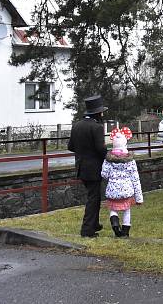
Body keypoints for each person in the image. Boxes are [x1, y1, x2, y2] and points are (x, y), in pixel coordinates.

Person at [68, 95, 109, 238]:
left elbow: (70, 146)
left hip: (81, 167)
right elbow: (100, 149)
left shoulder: (76, 125)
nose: (103, 114)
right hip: (94, 169)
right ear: (98, 113)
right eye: (102, 112)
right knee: (93, 198)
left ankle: (94, 224)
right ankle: (87, 230)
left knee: (94, 196)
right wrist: (109, 155)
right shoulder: (97, 127)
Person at [101, 127, 143, 238]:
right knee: (126, 210)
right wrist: (139, 198)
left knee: (113, 209)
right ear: (125, 144)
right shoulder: (130, 161)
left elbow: (104, 174)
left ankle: (115, 225)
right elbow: (135, 178)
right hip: (127, 190)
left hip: (112, 190)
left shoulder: (108, 160)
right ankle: (125, 232)